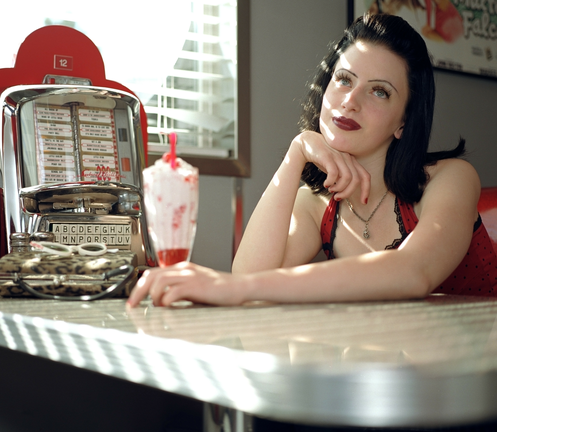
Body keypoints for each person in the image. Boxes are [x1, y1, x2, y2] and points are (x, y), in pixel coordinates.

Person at [126, 13, 496, 308]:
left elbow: (415, 272)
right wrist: (295, 153)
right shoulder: (318, 205)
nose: (350, 100)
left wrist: (230, 288)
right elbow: (250, 275)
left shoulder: (451, 178)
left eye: (379, 91)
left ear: (403, 121)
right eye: (343, 79)